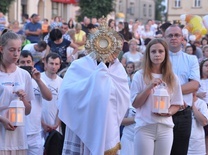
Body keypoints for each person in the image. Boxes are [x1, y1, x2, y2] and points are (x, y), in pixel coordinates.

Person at [58, 17, 130, 154]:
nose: (116, 53)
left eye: (118, 49)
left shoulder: (118, 69)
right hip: (81, 125)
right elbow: (65, 93)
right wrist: (96, 79)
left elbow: (124, 97)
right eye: (113, 48)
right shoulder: (79, 65)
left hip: (106, 124)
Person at [131, 38, 183, 155]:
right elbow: (135, 103)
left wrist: (168, 112)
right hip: (145, 127)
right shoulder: (139, 76)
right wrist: (149, 87)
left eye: (160, 51)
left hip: (165, 128)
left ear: (166, 53)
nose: (157, 55)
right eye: (153, 52)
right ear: (148, 54)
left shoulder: (173, 77)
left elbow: (176, 103)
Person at [164, 24, 200, 155]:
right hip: (163, 112)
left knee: (180, 151)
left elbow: (194, 85)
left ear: (182, 38)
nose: (173, 38)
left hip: (184, 113)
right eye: (170, 35)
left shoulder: (191, 59)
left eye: (177, 35)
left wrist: (169, 91)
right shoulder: (159, 59)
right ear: (165, 38)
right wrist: (178, 94)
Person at [0, 31, 34, 154]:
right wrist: (2, 119)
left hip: (19, 140)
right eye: (12, 50)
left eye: (19, 50)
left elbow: (28, 110)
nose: (16, 54)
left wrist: (23, 98)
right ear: (1, 49)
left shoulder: (24, 75)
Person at [18, 50, 52, 155]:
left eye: (28, 62)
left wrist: (38, 80)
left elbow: (49, 97)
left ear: (33, 63)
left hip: (35, 132)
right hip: (18, 131)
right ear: (17, 63)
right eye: (22, 62)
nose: (26, 64)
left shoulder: (39, 79)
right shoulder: (15, 78)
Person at [41, 53, 63, 139]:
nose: (54, 66)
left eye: (56, 64)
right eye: (51, 63)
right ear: (45, 64)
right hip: (39, 126)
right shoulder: (38, 79)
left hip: (55, 126)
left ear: (59, 66)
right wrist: (42, 123)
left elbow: (61, 106)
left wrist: (57, 124)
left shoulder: (62, 82)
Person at [196, 58, 208, 155]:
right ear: (201, 67)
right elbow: (193, 92)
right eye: (206, 66)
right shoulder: (197, 80)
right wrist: (198, 95)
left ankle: (207, 152)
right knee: (202, 130)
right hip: (201, 107)